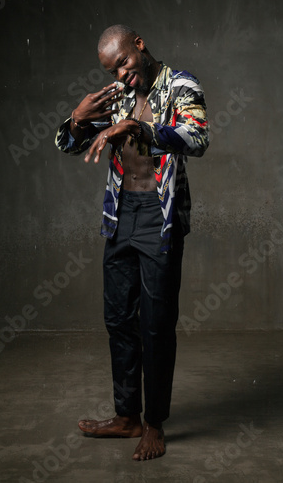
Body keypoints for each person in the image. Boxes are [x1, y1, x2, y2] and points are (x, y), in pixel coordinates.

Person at [55, 24, 209, 461]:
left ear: (138, 45)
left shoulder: (181, 85)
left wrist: (135, 126)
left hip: (159, 219)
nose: (121, 75)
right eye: (112, 69)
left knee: (156, 326)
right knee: (119, 320)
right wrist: (79, 118)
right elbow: (70, 143)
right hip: (119, 216)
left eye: (123, 62)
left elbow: (198, 138)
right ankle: (128, 417)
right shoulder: (117, 94)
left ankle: (155, 424)